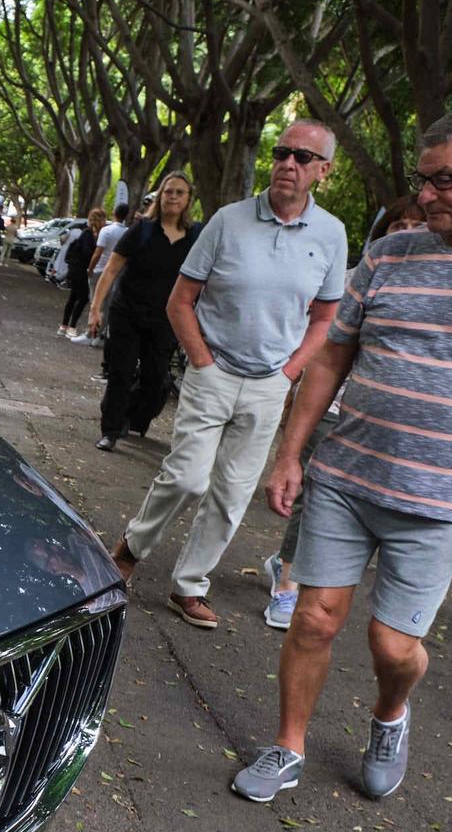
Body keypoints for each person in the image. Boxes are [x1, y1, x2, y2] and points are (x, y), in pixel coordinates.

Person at [232, 105, 452, 804]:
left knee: (393, 646)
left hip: (443, 500)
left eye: (443, 180)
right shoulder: (389, 255)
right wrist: (290, 454)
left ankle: (390, 714)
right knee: (313, 616)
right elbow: (331, 363)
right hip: (345, 476)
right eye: (421, 180)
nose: (424, 196)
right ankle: (288, 746)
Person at [107, 121, 349, 631]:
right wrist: (201, 360)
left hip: (269, 384)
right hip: (213, 370)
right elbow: (181, 300)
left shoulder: (331, 234)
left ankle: (189, 586)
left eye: (303, 158)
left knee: (232, 493)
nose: (288, 163)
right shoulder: (228, 220)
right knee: (187, 477)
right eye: (282, 152)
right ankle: (130, 549)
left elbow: (325, 318)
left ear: (323, 171)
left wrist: (289, 372)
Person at [262, 195, 428, 628]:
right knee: (312, 494)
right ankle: (287, 581)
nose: (407, 231)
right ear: (382, 231)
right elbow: (321, 347)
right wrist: (290, 394)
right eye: (398, 224)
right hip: (333, 407)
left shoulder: (437, 289)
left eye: (418, 224)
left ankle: (305, 573)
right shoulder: (355, 279)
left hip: (388, 428)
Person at [87, 173, 200, 449]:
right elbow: (111, 269)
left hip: (166, 320)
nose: (172, 197)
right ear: (160, 197)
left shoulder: (196, 237)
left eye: (179, 193)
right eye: (168, 192)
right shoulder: (142, 230)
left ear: (188, 200)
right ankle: (110, 431)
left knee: (155, 380)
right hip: (127, 312)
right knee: (120, 374)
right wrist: (95, 309)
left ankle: (130, 415)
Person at [58, 206, 105, 327]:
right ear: (99, 220)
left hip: (79, 269)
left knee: (74, 296)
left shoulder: (92, 234)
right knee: (83, 297)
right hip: (80, 269)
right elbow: (87, 252)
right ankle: (71, 326)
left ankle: (64, 325)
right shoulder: (88, 234)